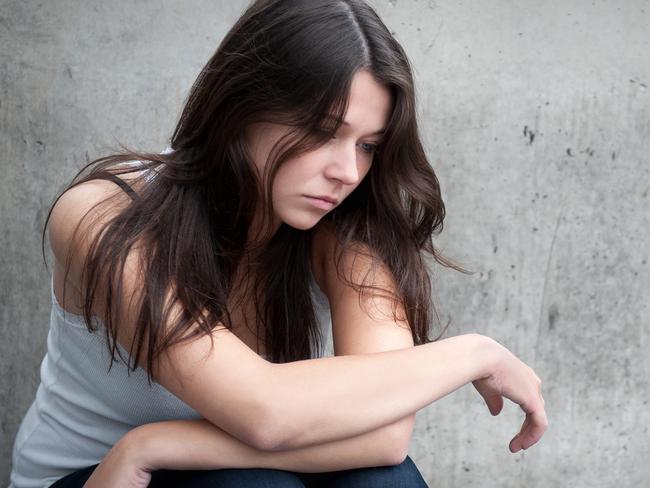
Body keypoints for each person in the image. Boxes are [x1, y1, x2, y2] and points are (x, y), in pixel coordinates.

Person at [9, 0, 548, 487]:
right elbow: (263, 412)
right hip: (96, 477)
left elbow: (385, 439)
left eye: (366, 146)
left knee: (383, 481)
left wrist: (154, 444)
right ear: (242, 107)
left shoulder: (347, 231)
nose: (347, 172)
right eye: (320, 131)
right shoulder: (105, 214)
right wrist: (475, 353)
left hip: (163, 460)